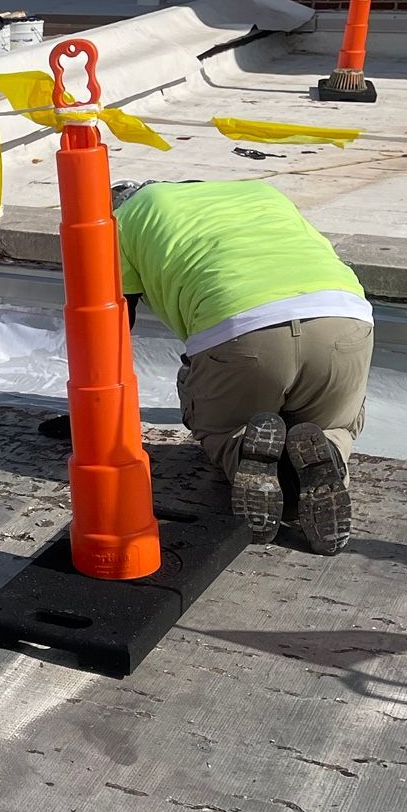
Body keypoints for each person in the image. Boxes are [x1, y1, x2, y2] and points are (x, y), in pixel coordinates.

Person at [113, 179, 373, 555]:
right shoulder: (260, 191)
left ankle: (244, 454)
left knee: (225, 425)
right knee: (337, 421)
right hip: (342, 315)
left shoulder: (124, 217)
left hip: (242, 331)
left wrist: (92, 415)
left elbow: (114, 319)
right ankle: (328, 450)